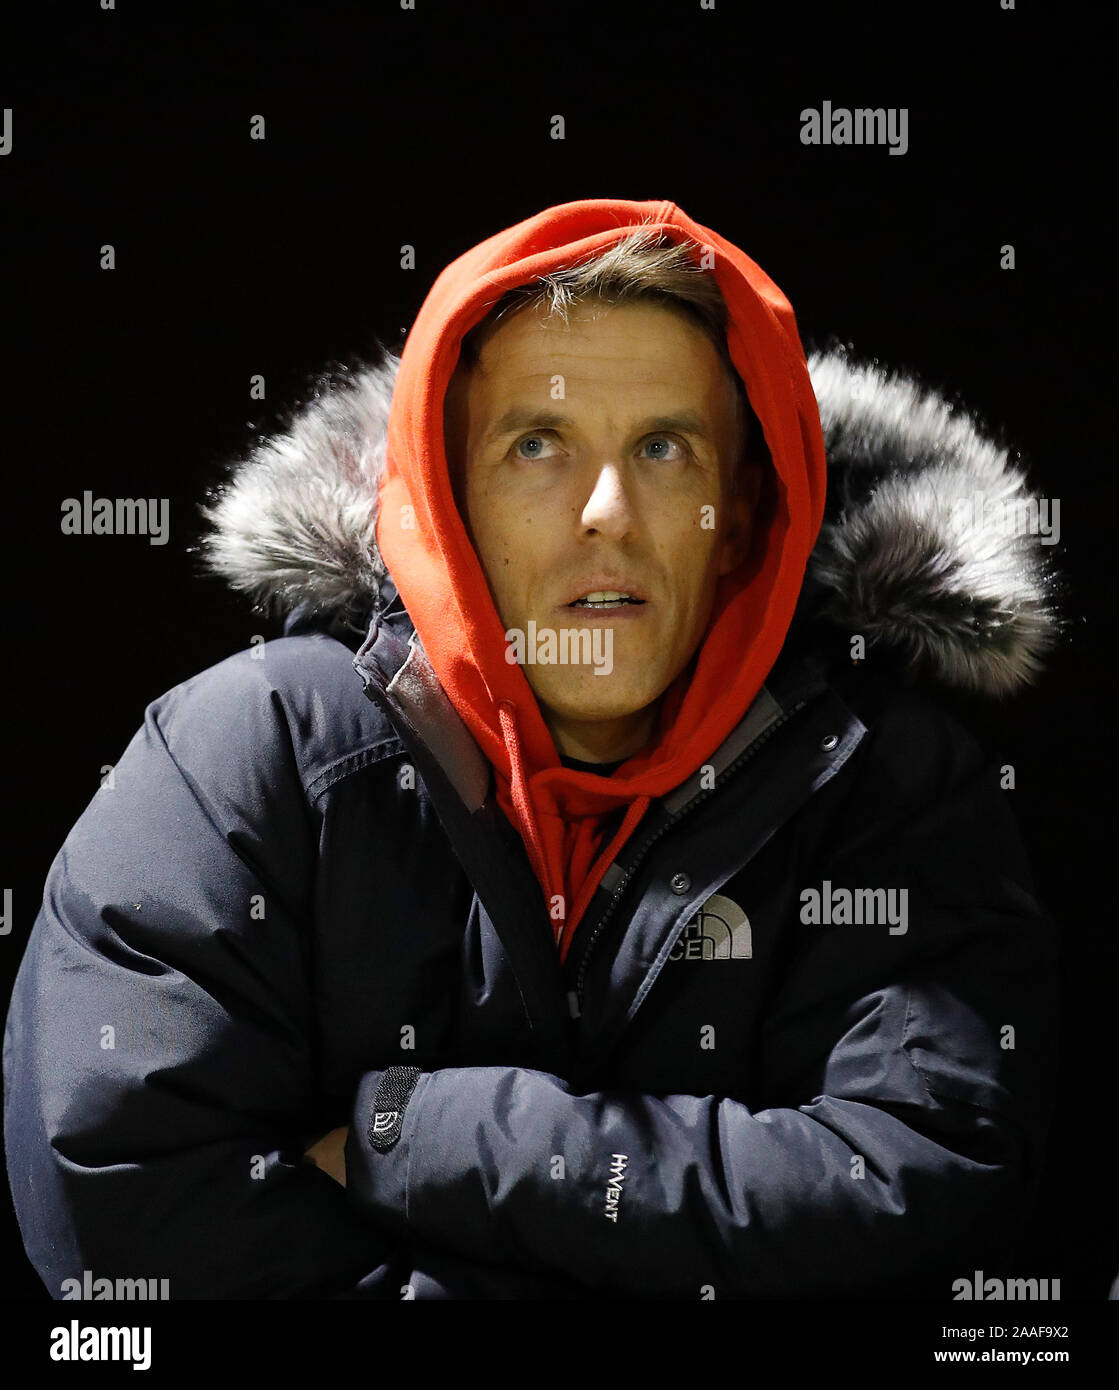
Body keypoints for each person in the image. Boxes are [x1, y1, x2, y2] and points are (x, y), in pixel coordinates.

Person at [3, 197, 1062, 1300]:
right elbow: (126, 1215)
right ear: (446, 500)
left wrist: (419, 1135)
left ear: (743, 515)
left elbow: (927, 1186)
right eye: (538, 444)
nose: (608, 508)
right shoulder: (243, 754)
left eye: (664, 446)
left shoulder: (887, 788)